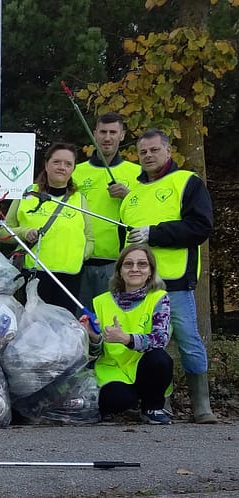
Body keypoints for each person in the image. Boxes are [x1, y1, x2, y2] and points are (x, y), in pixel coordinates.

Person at [120, 129, 216, 424]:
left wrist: (155, 234)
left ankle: (202, 405)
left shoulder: (186, 182)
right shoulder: (131, 195)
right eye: (143, 152)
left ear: (168, 151)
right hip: (139, 285)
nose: (148, 156)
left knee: (188, 340)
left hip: (175, 282)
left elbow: (201, 226)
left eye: (154, 150)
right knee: (152, 345)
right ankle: (160, 402)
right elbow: (124, 243)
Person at [80, 244, 173, 425]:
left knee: (160, 359)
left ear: (150, 271)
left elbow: (160, 339)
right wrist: (93, 337)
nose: (135, 269)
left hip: (144, 366)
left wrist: (127, 339)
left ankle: (152, 407)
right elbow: (95, 352)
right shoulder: (101, 301)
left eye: (142, 264)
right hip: (112, 370)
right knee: (118, 399)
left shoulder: (159, 297)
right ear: (120, 271)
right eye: (128, 264)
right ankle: (121, 402)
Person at [3, 142, 94, 313]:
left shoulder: (79, 199)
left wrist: (81, 256)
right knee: (34, 329)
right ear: (46, 165)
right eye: (57, 162)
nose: (62, 167)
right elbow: (3, 230)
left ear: (73, 169)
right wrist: (24, 232)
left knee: (63, 330)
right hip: (34, 274)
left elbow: (89, 238)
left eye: (68, 164)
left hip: (69, 277)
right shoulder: (27, 192)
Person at [73, 112, 142, 310]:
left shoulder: (137, 173)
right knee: (80, 325)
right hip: (80, 261)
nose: (107, 137)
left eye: (113, 132)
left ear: (122, 135)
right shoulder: (76, 172)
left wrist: (128, 196)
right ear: (94, 134)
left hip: (118, 262)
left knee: (112, 323)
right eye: (103, 132)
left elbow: (147, 213)